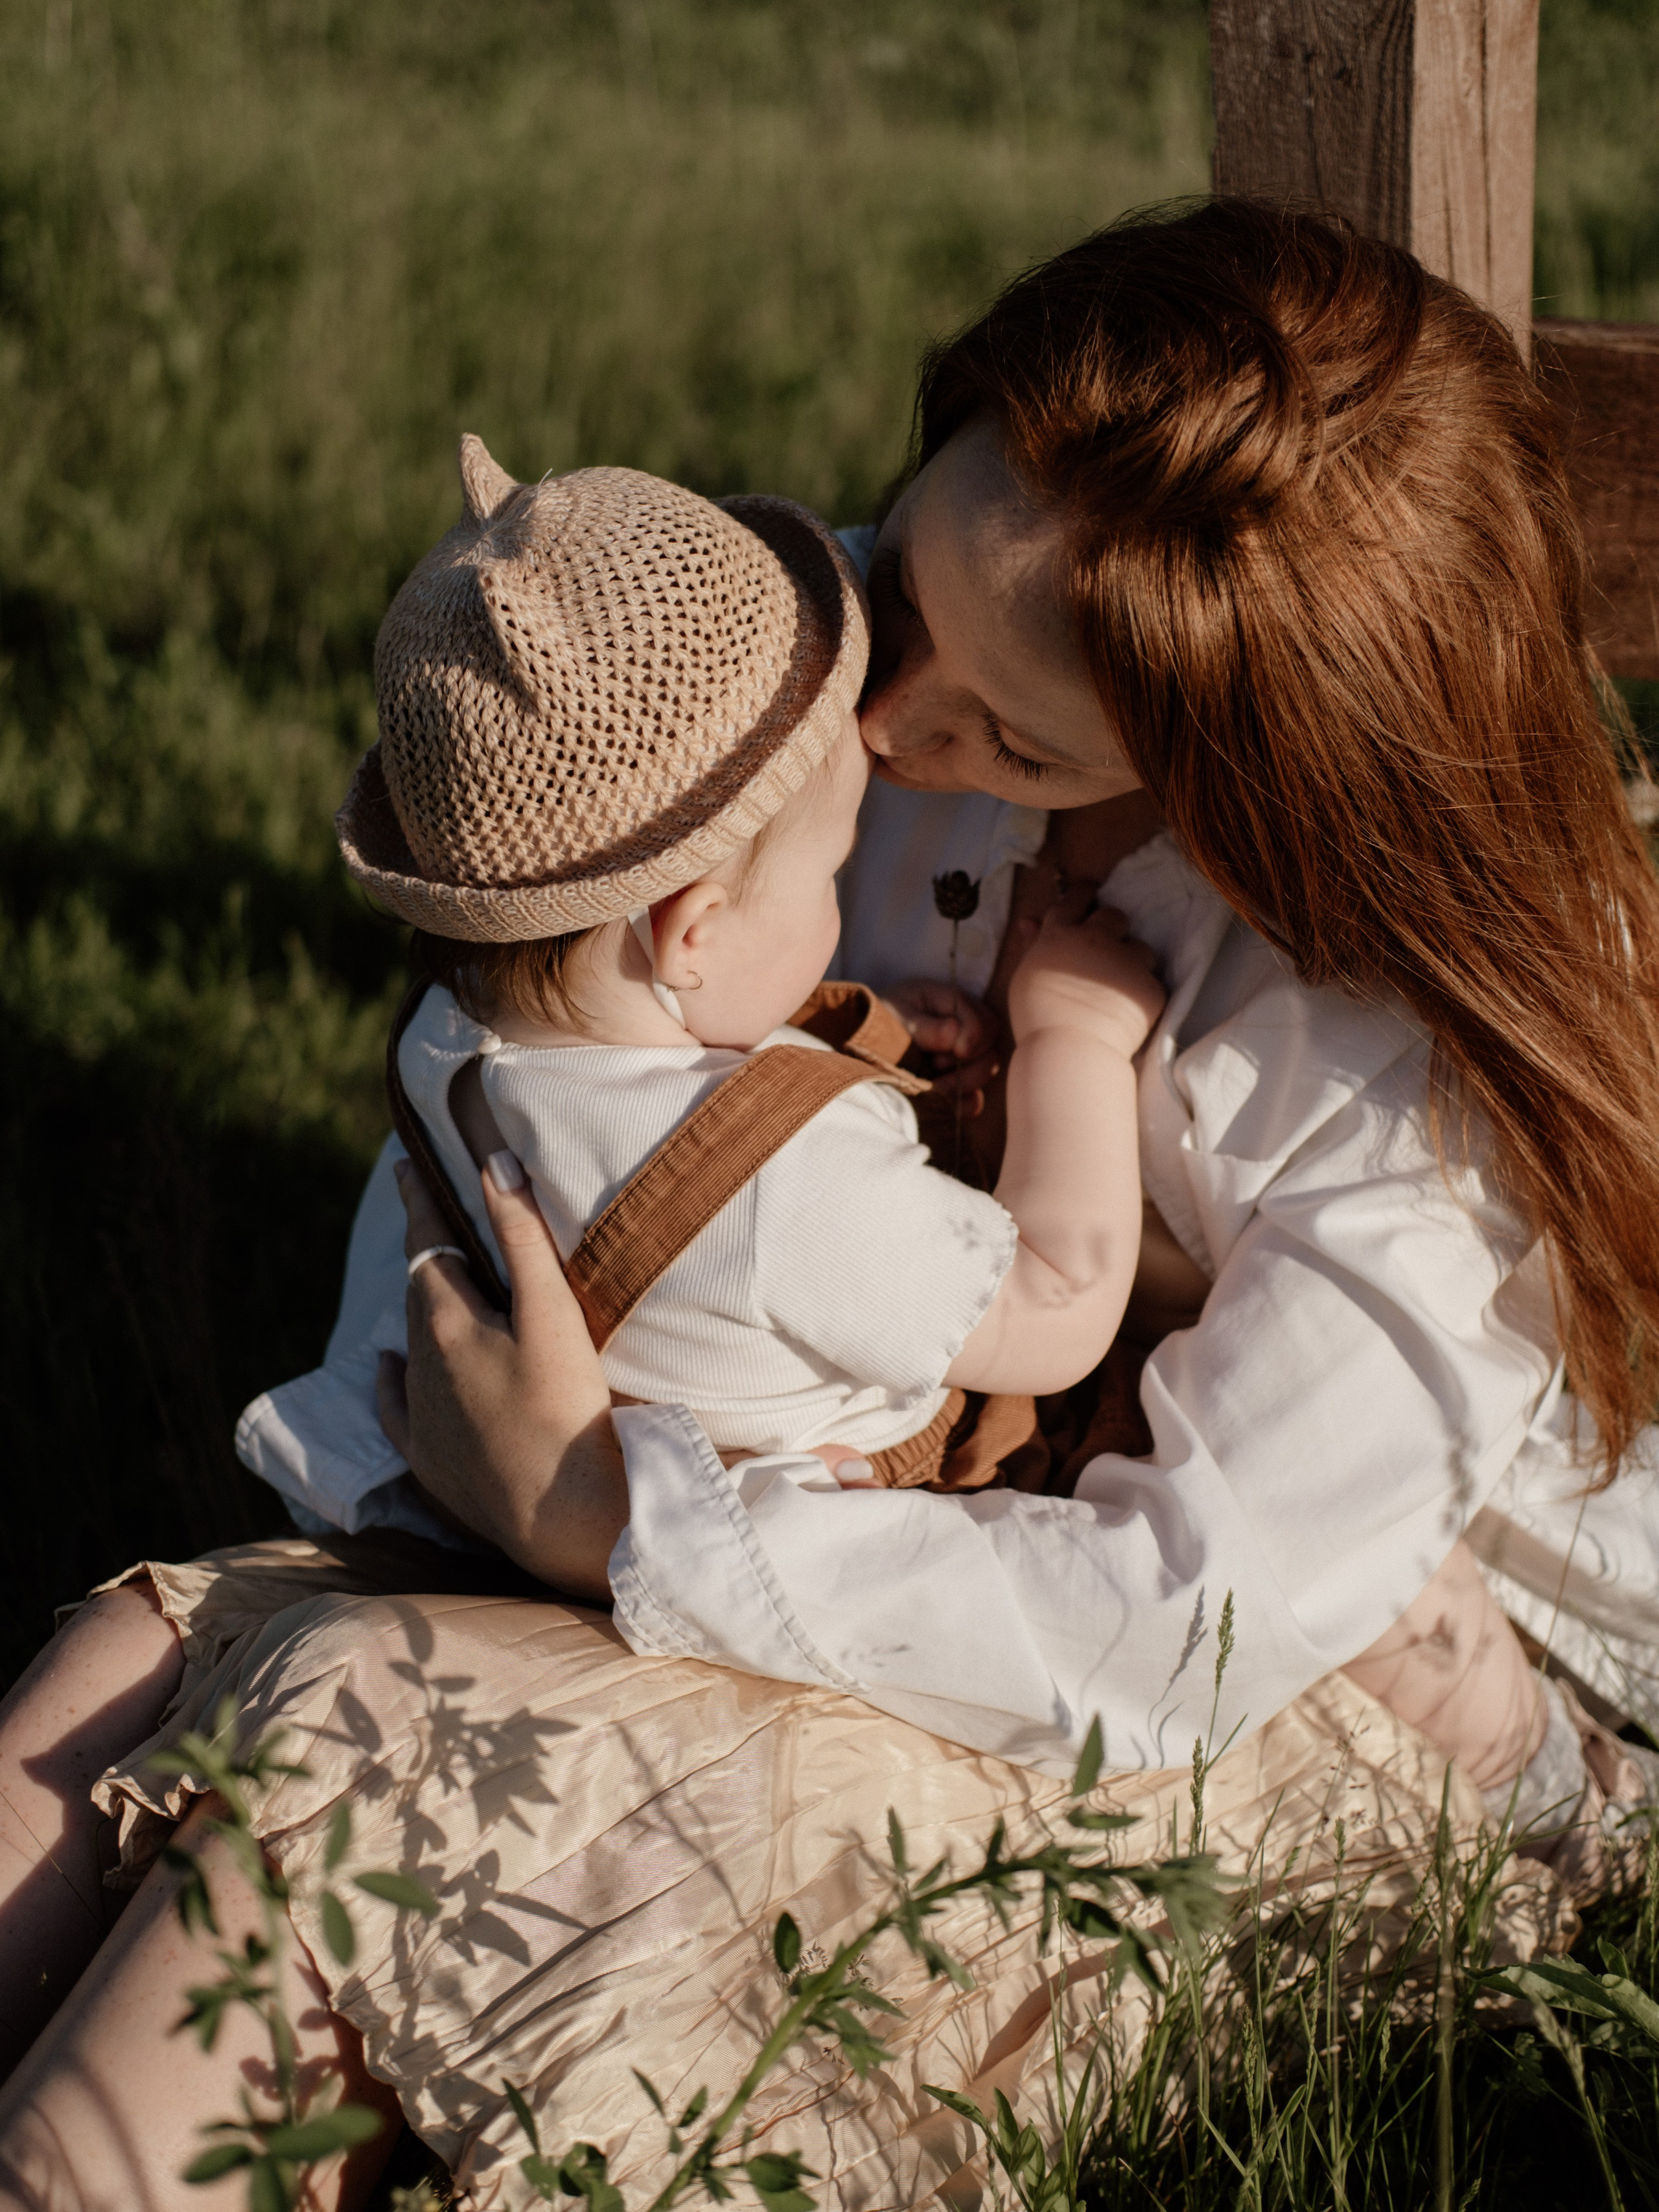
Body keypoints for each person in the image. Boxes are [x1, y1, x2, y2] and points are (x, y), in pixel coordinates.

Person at [4, 199, 1659, 2209]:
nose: (879, 733)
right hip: (877, 1487)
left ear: (1254, 778)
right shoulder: (861, 686)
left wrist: (612, 1518)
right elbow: (587, 1058)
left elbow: (1175, 1629)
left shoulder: (1396, 1088)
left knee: (361, 1730)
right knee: (122, 1674)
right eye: (899, 583)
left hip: (1323, 1672)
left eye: (1001, 735)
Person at [239, 456, 1163, 1542]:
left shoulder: (452, 1031)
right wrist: (1076, 1039)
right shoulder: (795, 1190)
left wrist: (825, 1036)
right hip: (794, 1555)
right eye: (831, 874)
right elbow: (1055, 1305)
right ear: (693, 933)